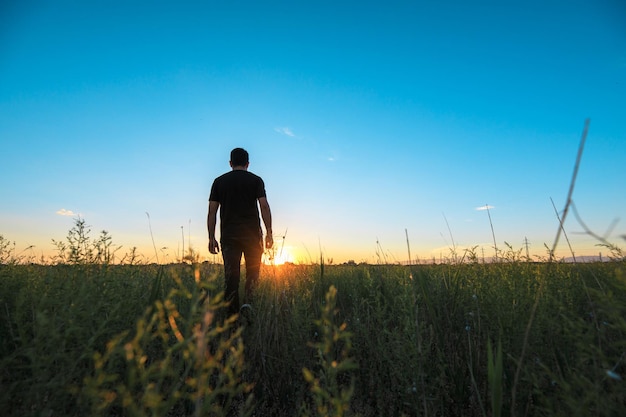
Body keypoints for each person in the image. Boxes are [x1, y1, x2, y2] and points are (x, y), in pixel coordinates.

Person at [207, 148, 273, 318]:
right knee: (253, 275)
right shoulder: (256, 180)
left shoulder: (219, 182)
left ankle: (232, 319)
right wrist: (269, 233)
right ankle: (249, 310)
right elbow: (264, 206)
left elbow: (212, 212)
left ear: (230, 163)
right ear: (247, 164)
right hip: (252, 237)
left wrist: (211, 237)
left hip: (229, 237)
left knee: (231, 277)